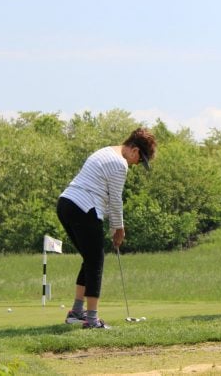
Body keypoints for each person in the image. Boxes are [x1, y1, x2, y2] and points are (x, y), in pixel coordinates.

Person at [57, 127, 156, 329]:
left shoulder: (105, 151)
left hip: (66, 204)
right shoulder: (120, 163)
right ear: (135, 150)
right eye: (139, 160)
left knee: (90, 257)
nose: (136, 164)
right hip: (84, 206)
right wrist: (118, 229)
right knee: (96, 260)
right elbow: (116, 200)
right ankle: (92, 320)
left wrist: (114, 227)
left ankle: (76, 312)